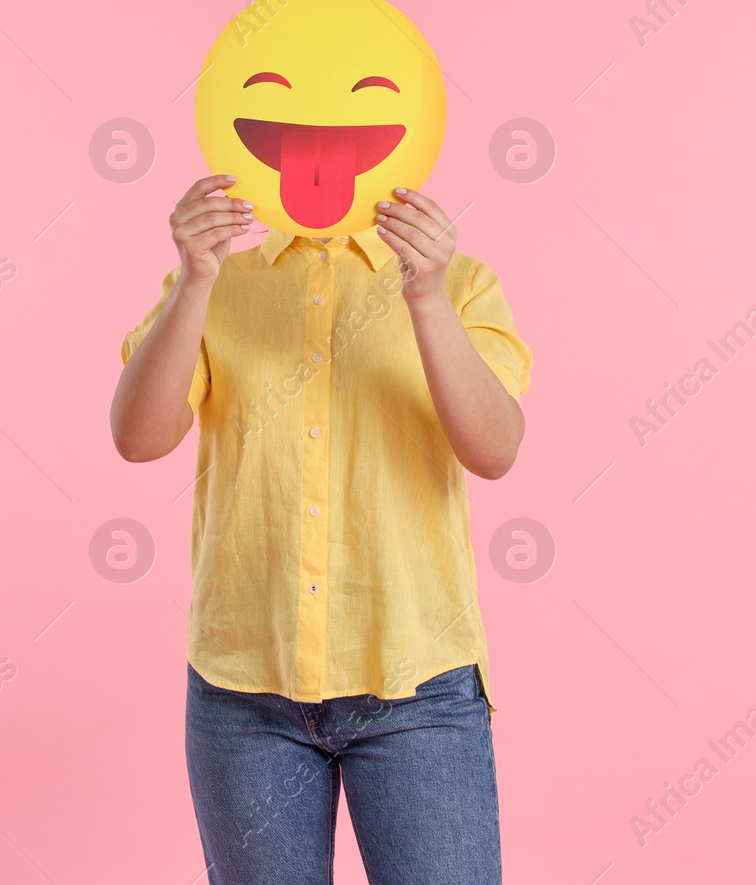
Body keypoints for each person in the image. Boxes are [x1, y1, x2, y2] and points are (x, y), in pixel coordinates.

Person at [111, 173, 531, 884]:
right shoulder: (216, 283)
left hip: (417, 687)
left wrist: (425, 298)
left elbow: (494, 450)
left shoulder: (459, 281)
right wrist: (193, 281)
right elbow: (138, 435)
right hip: (244, 689)